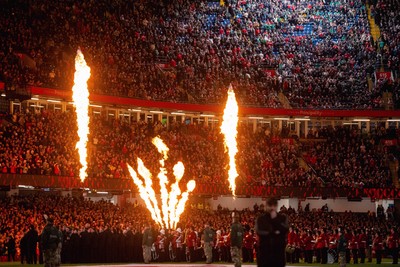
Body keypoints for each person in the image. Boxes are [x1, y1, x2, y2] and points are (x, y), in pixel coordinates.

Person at [255, 197, 289, 267]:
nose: (272, 208)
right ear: (266, 206)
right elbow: (259, 231)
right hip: (264, 253)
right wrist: (274, 233)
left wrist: (274, 219)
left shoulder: (282, 218)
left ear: (276, 206)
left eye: (274, 206)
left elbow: (284, 230)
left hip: (278, 254)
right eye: (270, 206)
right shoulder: (261, 219)